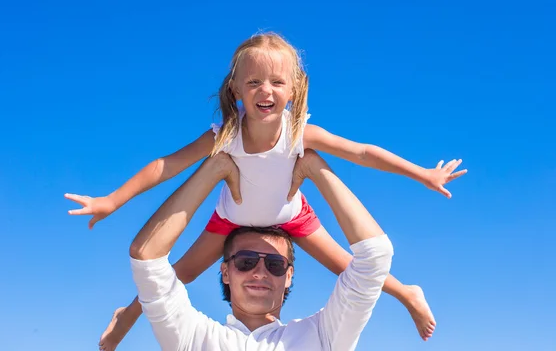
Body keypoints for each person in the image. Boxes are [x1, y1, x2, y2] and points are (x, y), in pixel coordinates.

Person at [66, 32, 466, 350]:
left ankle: (407, 293)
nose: (265, 90)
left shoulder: (300, 133)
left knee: (347, 266)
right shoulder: (224, 135)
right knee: (178, 273)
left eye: (277, 81)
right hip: (232, 219)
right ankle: (127, 317)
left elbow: (362, 152)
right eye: (254, 81)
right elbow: (165, 166)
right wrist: (111, 201)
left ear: (294, 88)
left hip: (289, 215)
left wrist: (423, 174)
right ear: (236, 88)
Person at [129, 150, 394, 350]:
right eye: (246, 261)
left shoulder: (323, 336)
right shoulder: (194, 336)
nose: (260, 272)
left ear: (289, 275)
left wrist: (315, 167)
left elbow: (376, 257)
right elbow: (146, 257)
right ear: (225, 271)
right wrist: (214, 169)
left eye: (275, 264)